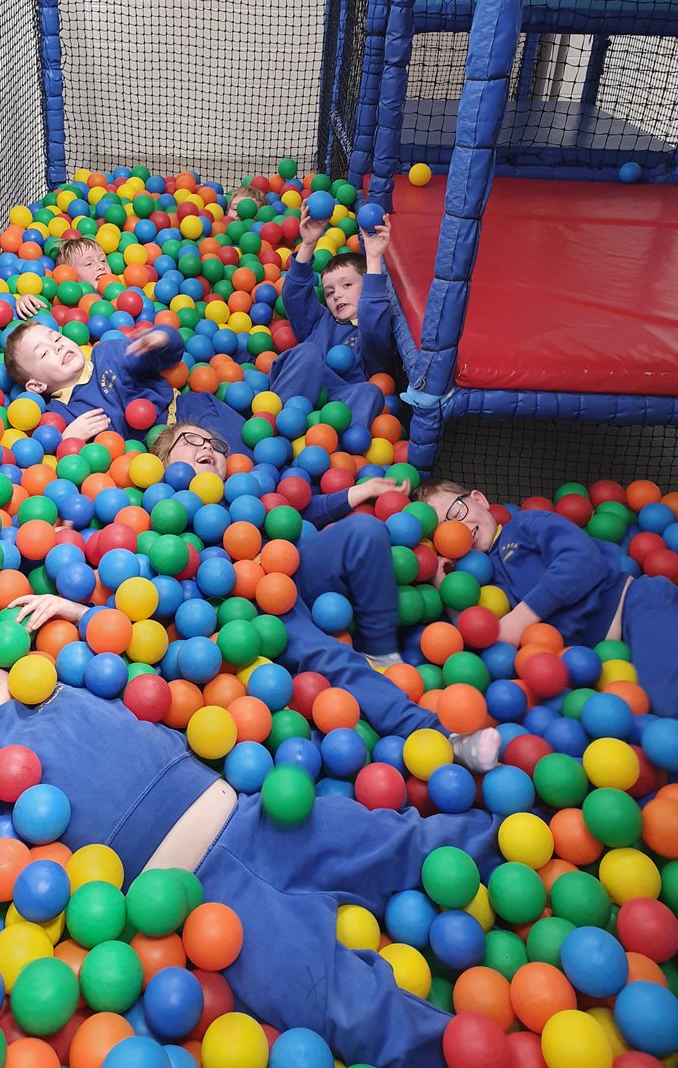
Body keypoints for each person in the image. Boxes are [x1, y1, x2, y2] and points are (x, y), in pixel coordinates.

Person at [0, 653, 500, 1068]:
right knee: (325, 993)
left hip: (256, 815)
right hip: (200, 902)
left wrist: (63, 606)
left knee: (391, 841)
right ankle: (447, 1052)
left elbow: (107, 647)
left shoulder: (58, 686)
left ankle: (501, 836)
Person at [143, 422, 500, 768]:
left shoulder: (241, 491)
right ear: (161, 461)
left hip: (293, 571)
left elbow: (294, 515)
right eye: (191, 440)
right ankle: (445, 738)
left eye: (215, 445)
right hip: (254, 609)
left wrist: (355, 494)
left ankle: (379, 650)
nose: (207, 447)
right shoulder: (160, 505)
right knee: (329, 654)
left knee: (365, 529)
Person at [414, 478, 678, 718]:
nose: (457, 529)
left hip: (635, 606)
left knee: (666, 705)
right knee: (637, 731)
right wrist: (446, 589)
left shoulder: (523, 525)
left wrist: (521, 618)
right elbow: (478, 645)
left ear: (479, 500)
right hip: (589, 666)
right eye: (443, 531)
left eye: (457, 513)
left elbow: (583, 560)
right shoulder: (477, 582)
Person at [2, 323, 248, 454]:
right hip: (159, 450)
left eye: (56, 338)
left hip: (184, 410)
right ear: (36, 386)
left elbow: (168, 356)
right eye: (44, 353)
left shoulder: (108, 353)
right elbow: (76, 463)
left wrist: (161, 339)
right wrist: (70, 439)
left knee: (245, 449)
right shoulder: (61, 414)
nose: (57, 347)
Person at [268, 201, 393, 429]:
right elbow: (294, 297)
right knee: (309, 352)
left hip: (337, 400)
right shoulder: (319, 320)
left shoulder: (369, 334)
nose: (337, 295)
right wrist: (308, 243)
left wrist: (374, 259)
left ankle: (335, 448)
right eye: (329, 292)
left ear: (366, 287)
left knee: (371, 391)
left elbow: (374, 322)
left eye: (346, 285)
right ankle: (275, 425)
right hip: (297, 389)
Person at [15, 236, 109, 319]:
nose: (101, 266)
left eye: (103, 260)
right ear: (69, 274)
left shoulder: (120, 290)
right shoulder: (61, 301)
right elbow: (41, 309)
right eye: (89, 264)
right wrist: (24, 301)